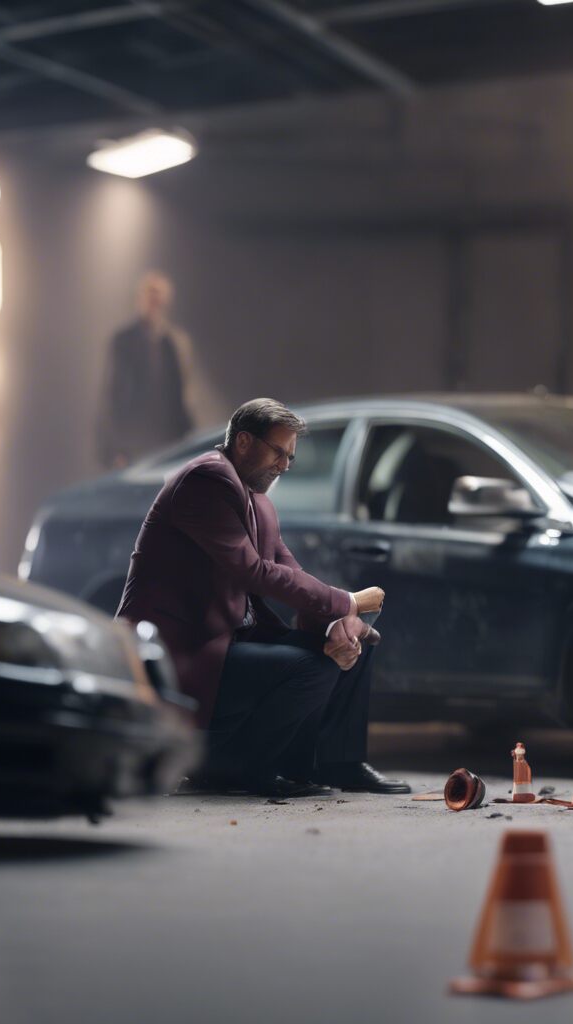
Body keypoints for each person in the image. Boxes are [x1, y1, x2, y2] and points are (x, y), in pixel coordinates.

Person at [117, 397, 411, 798]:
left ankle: (336, 763)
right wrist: (347, 602)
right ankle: (235, 770)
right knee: (314, 665)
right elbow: (253, 571)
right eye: (278, 451)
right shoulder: (206, 480)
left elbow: (289, 570)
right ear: (243, 441)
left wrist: (338, 621)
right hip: (185, 648)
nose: (285, 465)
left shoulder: (258, 500)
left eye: (290, 456)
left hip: (228, 639)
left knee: (357, 642)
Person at [97, 271, 194, 469]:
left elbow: (181, 395)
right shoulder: (123, 340)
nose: (154, 301)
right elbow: (113, 395)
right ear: (139, 299)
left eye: (158, 295)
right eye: (149, 295)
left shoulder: (175, 342)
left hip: (168, 441)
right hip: (134, 443)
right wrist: (116, 448)